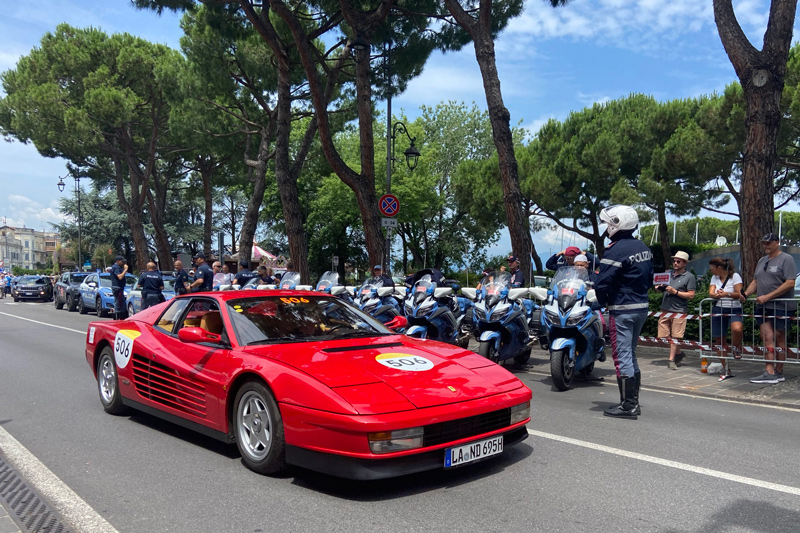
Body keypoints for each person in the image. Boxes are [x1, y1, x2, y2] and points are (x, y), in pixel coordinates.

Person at [593, 205, 653, 419]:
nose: (606, 227)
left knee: (622, 355)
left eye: (608, 223)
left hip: (622, 308)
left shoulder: (615, 249)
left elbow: (602, 283)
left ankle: (628, 406)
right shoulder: (643, 247)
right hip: (641, 307)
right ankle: (633, 401)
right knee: (631, 353)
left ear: (617, 223)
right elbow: (650, 279)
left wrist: (601, 302)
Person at [741, 233, 797, 384]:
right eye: (764, 243)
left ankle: (779, 370)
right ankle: (769, 371)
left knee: (780, 337)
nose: (766, 245)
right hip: (763, 306)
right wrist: (745, 294)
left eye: (769, 243)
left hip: (781, 306)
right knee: (767, 337)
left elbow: (790, 283)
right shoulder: (762, 260)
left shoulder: (786, 259)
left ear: (777, 242)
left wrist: (768, 296)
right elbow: (756, 280)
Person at [655, 251, 697, 370]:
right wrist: (659, 288)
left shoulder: (689, 277)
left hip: (679, 310)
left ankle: (671, 359)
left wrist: (675, 292)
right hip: (665, 308)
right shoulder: (668, 274)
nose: (675, 263)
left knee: (676, 336)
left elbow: (691, 295)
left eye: (678, 261)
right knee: (663, 335)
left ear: (684, 263)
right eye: (674, 261)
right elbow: (658, 285)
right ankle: (679, 353)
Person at [708, 257, 743, 381]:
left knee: (737, 329)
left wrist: (726, 294)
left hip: (734, 308)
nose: (710, 270)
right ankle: (726, 368)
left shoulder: (735, 277)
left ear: (719, 267)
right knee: (719, 340)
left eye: (711, 268)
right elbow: (711, 293)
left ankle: (736, 346)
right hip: (719, 309)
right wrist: (716, 295)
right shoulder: (714, 278)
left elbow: (739, 293)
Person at [110, 255, 129, 319]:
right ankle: (118, 317)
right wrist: (125, 270)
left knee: (121, 303)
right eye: (122, 261)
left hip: (119, 287)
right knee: (119, 303)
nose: (123, 262)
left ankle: (121, 317)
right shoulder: (116, 267)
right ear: (118, 261)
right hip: (117, 287)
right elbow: (120, 277)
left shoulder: (118, 267)